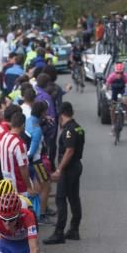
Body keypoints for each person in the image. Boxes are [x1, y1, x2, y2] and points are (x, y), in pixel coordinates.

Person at [45, 102, 86, 243]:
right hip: (75, 166)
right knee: (74, 198)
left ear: (61, 114)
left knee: (61, 199)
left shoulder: (69, 130)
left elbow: (69, 150)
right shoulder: (78, 127)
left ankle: (59, 232)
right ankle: (74, 229)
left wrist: (59, 169)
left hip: (69, 168)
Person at [0, 111, 30, 198]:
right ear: (23, 125)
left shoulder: (4, 138)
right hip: (19, 188)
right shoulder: (19, 143)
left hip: (7, 185)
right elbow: (23, 167)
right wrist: (29, 187)